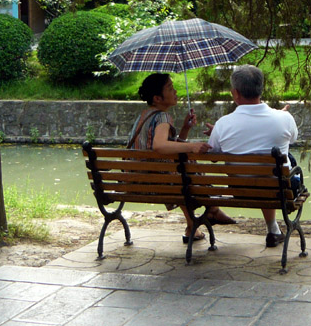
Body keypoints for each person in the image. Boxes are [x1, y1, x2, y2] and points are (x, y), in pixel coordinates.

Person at [126, 73, 235, 243]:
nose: (175, 91)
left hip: (136, 179)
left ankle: (198, 221)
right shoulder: (163, 117)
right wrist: (192, 146)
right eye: (170, 88)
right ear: (157, 98)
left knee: (183, 169)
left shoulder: (145, 115)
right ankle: (209, 211)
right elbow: (159, 146)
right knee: (186, 170)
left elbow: (164, 149)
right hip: (154, 182)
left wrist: (184, 130)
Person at [205, 64, 299, 247]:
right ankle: (272, 229)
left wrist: (218, 134)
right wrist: (279, 117)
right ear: (261, 89)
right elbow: (293, 139)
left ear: (235, 93)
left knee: (263, 170)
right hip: (279, 191)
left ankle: (273, 229)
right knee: (282, 163)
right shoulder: (284, 118)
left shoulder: (223, 124)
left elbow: (213, 155)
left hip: (239, 189)